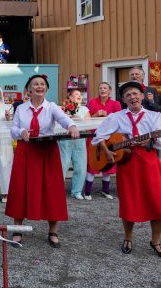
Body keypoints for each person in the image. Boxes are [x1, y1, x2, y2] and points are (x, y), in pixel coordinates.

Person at [6, 74, 79, 248]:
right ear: (29, 89)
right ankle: (17, 229)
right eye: (35, 84)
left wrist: (72, 126)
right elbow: (13, 129)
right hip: (27, 151)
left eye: (42, 84)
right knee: (21, 188)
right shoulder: (21, 108)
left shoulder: (51, 107)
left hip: (47, 152)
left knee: (51, 189)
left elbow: (64, 120)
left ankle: (53, 231)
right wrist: (21, 132)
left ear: (46, 88)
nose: (39, 87)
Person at [91, 81, 160, 256]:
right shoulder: (116, 117)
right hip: (127, 164)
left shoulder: (155, 117)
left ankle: (156, 241)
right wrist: (106, 150)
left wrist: (151, 141)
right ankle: (128, 238)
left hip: (149, 162)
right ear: (123, 99)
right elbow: (98, 137)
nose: (132, 97)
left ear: (142, 96)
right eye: (128, 95)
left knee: (157, 201)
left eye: (135, 93)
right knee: (129, 202)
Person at [84, 82, 122, 200]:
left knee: (108, 163)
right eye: (100, 88)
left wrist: (108, 116)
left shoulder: (116, 104)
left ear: (109, 91)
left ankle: (105, 190)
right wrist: (96, 114)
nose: (102, 90)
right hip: (94, 136)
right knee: (92, 162)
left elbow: (119, 119)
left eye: (105, 88)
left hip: (109, 137)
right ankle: (87, 191)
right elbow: (87, 118)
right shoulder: (93, 102)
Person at [58, 89, 91, 200]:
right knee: (62, 167)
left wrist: (79, 119)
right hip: (65, 140)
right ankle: (57, 190)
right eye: (76, 94)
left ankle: (76, 191)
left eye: (80, 95)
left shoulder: (85, 109)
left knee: (81, 167)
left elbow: (89, 124)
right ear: (70, 98)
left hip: (80, 141)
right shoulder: (62, 109)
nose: (79, 96)